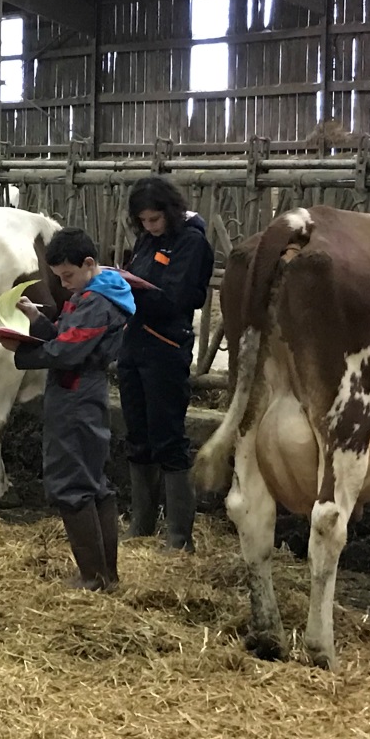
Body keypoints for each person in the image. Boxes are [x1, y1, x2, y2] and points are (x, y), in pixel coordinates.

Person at [2, 228, 135, 591]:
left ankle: (93, 578)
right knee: (93, 482)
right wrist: (35, 318)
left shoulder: (95, 302)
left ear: (89, 263)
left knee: (71, 481)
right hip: (81, 391)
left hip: (75, 394)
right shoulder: (95, 293)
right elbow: (66, 336)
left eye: (67, 276)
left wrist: (22, 353)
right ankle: (107, 575)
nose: (65, 284)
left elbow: (68, 351)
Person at [116, 176, 214, 552]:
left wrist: (134, 290)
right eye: (143, 222)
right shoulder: (147, 241)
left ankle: (178, 537)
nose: (149, 227)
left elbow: (180, 299)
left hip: (166, 347)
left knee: (168, 436)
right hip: (134, 345)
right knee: (137, 435)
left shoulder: (192, 242)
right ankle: (140, 523)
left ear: (170, 212)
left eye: (155, 220)